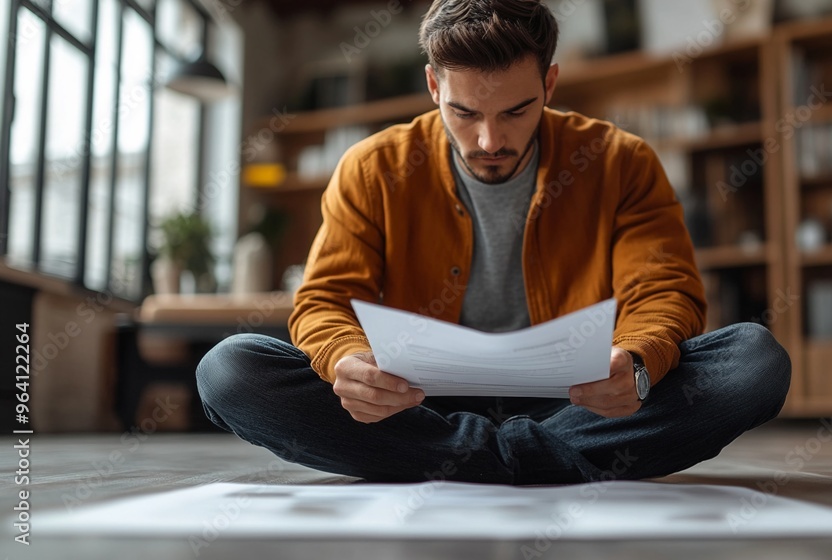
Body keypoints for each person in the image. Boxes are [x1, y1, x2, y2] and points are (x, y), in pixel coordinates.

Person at [197, 0, 790, 485]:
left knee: (753, 362)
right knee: (230, 370)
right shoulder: (372, 168)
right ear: (433, 85)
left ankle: (454, 461)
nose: (488, 138)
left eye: (516, 110)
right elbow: (326, 299)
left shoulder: (620, 162)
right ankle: (542, 460)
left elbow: (665, 293)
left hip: (579, 402)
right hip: (414, 403)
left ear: (550, 83)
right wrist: (347, 361)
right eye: (464, 111)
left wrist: (634, 363)